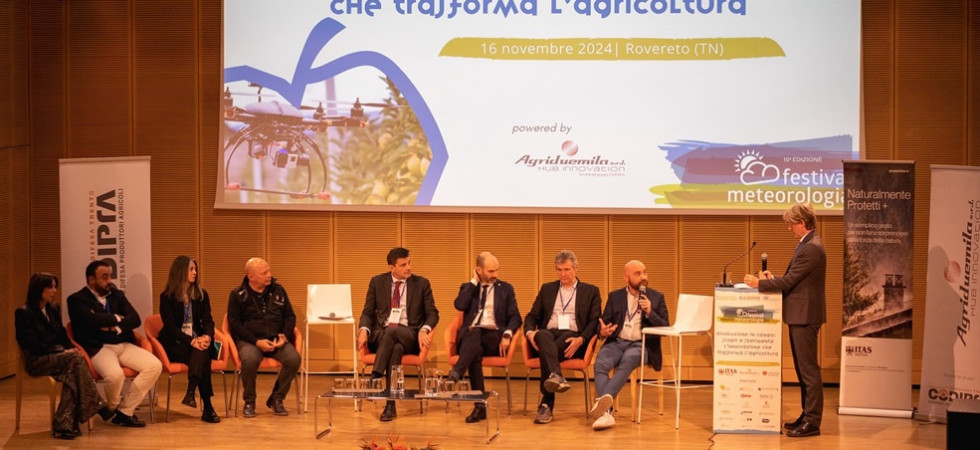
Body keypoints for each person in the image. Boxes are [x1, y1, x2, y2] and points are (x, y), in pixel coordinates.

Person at [744, 202, 826, 438]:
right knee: (802, 369)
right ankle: (806, 415)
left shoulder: (812, 247)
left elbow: (789, 282)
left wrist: (760, 283)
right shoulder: (808, 244)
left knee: (808, 370)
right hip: (800, 314)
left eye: (791, 224)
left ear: (802, 222)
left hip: (805, 316)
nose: (788, 228)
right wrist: (773, 278)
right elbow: (795, 279)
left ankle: (812, 422)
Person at [15, 272, 114, 439]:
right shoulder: (23, 313)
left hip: (60, 360)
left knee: (72, 373)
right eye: (50, 287)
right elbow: (31, 344)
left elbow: (62, 335)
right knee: (75, 360)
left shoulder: (53, 309)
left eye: (55, 287)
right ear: (38, 289)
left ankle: (64, 424)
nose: (54, 291)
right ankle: (96, 403)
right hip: (36, 360)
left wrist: (70, 348)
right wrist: (61, 350)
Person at [67, 260, 162, 428]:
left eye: (110, 276)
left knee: (154, 365)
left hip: (123, 343)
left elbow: (135, 318)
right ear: (91, 279)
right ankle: (112, 407)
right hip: (99, 347)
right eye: (104, 277)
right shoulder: (77, 300)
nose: (109, 281)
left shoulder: (116, 294)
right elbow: (90, 320)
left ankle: (125, 411)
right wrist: (118, 318)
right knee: (115, 376)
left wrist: (113, 327)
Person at [357, 247, 439, 422]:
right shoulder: (377, 282)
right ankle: (390, 405)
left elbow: (433, 314)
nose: (408, 267)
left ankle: (375, 376)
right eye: (403, 265)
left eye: (409, 263)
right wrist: (363, 329)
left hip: (409, 334)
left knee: (393, 331)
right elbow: (367, 312)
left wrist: (424, 329)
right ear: (391, 267)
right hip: (382, 335)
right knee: (395, 347)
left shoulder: (421, 284)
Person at [589, 260, 670, 430]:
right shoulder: (615, 296)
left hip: (642, 345)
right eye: (637, 274)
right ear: (626, 277)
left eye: (644, 272)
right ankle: (606, 413)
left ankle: (603, 409)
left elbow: (665, 328)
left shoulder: (656, 297)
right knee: (600, 364)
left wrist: (650, 312)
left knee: (628, 359)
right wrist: (603, 332)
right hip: (617, 342)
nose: (643, 277)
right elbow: (603, 324)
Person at [523, 250, 601, 425]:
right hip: (548, 334)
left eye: (566, 269)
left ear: (576, 268)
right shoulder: (547, 289)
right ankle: (556, 375)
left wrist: (581, 339)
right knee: (542, 335)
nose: (562, 274)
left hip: (573, 339)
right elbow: (531, 317)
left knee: (546, 352)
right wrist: (530, 333)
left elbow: (595, 321)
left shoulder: (591, 291)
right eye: (559, 270)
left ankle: (546, 405)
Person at [447, 252, 522, 423]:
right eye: (491, 271)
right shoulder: (468, 287)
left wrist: (507, 334)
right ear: (479, 270)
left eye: (497, 270)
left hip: (493, 337)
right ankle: (480, 407)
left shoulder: (506, 289)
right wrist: (474, 282)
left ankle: (457, 373)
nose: (495, 274)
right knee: (474, 342)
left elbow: (515, 316)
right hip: (471, 337)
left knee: (473, 344)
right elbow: (459, 305)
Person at [227, 257, 300, 418]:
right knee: (250, 359)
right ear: (251, 277)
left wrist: (284, 336)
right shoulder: (237, 295)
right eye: (264, 273)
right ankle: (249, 401)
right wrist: (256, 342)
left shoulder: (278, 290)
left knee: (294, 359)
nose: (269, 275)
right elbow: (234, 324)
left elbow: (290, 316)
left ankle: (277, 398)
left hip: (276, 339)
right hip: (251, 341)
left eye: (269, 271)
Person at [158, 256, 220, 423]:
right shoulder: (167, 297)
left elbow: (208, 320)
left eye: (195, 269)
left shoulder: (201, 295)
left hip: (197, 341)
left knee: (201, 352)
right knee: (202, 355)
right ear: (180, 271)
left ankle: (191, 392)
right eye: (191, 269)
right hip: (175, 343)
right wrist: (192, 341)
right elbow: (170, 327)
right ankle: (207, 407)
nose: (195, 272)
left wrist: (207, 336)